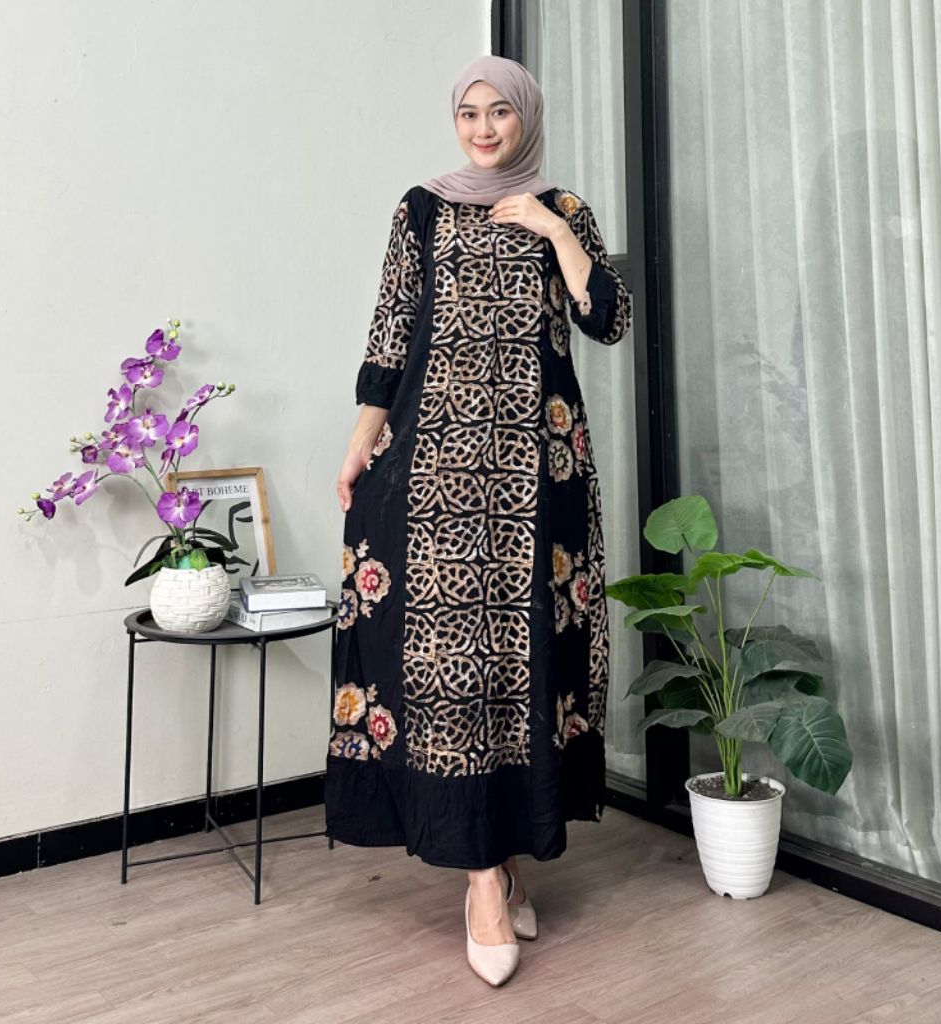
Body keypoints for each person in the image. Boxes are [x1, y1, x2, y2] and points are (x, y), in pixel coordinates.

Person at [328, 54, 631, 987]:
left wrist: (552, 228)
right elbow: (390, 332)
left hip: (538, 475)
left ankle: (501, 857)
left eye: (501, 111)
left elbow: (608, 320)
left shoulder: (562, 208)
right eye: (469, 112)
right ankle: (482, 884)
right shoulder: (421, 209)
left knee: (520, 668)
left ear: (526, 117)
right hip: (432, 476)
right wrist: (359, 445)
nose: (485, 128)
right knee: (450, 675)